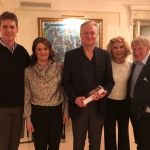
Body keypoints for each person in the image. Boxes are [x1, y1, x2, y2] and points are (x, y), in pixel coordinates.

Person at [62, 21, 115, 150]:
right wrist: (75, 98)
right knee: (78, 144)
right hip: (79, 107)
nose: (89, 36)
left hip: (98, 107)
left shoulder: (104, 55)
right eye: (86, 33)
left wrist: (104, 91)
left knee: (95, 144)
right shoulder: (70, 56)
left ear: (97, 35)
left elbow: (110, 81)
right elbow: (66, 82)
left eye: (92, 33)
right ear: (80, 35)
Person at [23, 37, 69, 150]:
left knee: (54, 146)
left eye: (45, 48)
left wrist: (66, 112)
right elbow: (27, 95)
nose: (43, 52)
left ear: (50, 50)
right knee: (40, 146)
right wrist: (28, 119)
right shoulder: (28, 71)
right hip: (37, 112)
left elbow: (64, 92)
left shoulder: (58, 68)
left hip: (55, 111)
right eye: (39, 49)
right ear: (34, 51)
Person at [0, 11, 30, 150]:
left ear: (17, 29)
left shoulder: (22, 52)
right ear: (0, 28)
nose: (9, 30)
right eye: (5, 26)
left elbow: (33, 71)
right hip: (1, 108)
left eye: (12, 27)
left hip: (19, 107)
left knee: (14, 144)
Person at [104, 36, 132, 150]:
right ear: (111, 50)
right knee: (109, 132)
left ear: (125, 48)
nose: (118, 50)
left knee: (124, 132)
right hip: (109, 103)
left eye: (121, 47)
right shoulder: (107, 65)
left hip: (125, 103)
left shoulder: (131, 65)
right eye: (115, 48)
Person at [127, 36, 150, 150]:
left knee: (147, 142)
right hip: (135, 109)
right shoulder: (134, 64)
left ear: (148, 48)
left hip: (146, 112)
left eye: (140, 48)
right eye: (134, 49)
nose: (136, 52)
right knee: (139, 140)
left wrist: (148, 108)